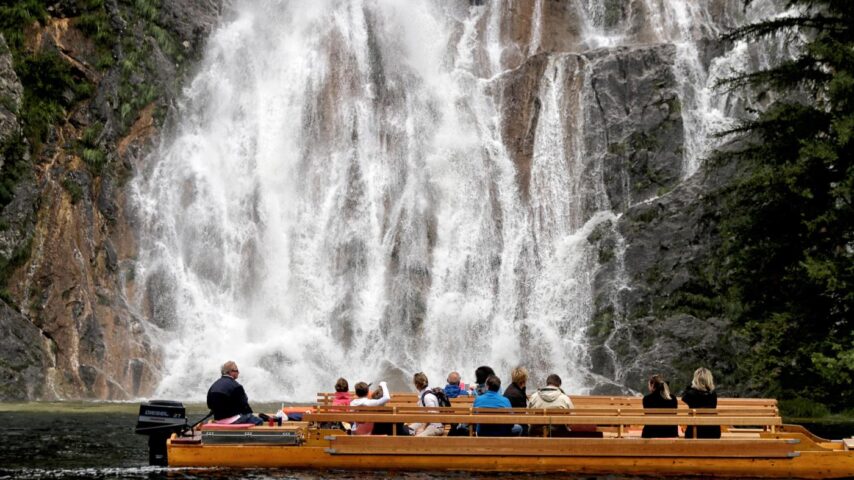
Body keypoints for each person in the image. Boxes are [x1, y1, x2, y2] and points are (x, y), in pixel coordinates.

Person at [206, 361, 263, 425]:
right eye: (237, 370)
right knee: (259, 421)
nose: (239, 372)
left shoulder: (214, 385)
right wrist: (250, 415)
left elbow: (209, 405)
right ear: (231, 372)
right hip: (233, 420)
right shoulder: (236, 386)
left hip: (218, 420)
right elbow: (245, 406)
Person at [681, 367, 721, 439]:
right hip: (713, 430)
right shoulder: (713, 394)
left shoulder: (691, 394)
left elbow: (683, 397)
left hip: (695, 430)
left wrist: (692, 385)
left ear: (695, 379)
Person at [641, 374, 679, 438]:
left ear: (652, 385)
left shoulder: (647, 399)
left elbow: (647, 414)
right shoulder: (672, 398)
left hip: (651, 433)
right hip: (671, 432)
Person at [408, 372, 444, 436]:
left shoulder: (427, 397)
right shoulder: (425, 393)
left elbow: (431, 414)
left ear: (416, 385)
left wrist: (422, 428)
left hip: (435, 426)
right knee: (407, 431)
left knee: (418, 437)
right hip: (425, 422)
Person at [503, 366, 528, 435]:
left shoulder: (511, 388)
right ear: (524, 379)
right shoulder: (517, 394)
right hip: (514, 424)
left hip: (509, 422)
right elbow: (522, 414)